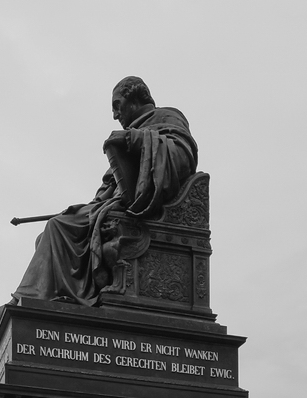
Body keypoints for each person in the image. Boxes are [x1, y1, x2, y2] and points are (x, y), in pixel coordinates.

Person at [11, 76, 198, 305]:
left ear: (134, 98)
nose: (115, 115)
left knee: (57, 227)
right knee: (50, 233)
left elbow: (181, 156)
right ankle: (45, 299)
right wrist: (86, 206)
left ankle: (28, 300)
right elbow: (109, 186)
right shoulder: (133, 131)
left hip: (144, 209)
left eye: (117, 105)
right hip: (113, 205)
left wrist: (134, 139)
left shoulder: (166, 116)